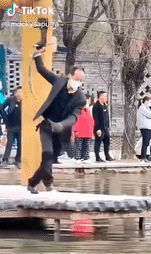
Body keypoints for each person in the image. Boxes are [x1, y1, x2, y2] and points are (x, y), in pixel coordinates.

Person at [28, 46, 87, 193]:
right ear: (70, 76)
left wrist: (61, 126)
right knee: (47, 153)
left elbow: (73, 117)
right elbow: (43, 71)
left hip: (61, 132)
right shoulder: (59, 82)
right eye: (76, 79)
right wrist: (37, 55)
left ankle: (32, 183)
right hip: (47, 125)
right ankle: (49, 184)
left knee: (49, 160)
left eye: (80, 81)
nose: (77, 82)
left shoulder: (81, 99)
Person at [1, 87, 22, 167]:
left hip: (21, 126)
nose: (20, 94)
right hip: (11, 125)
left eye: (21, 93)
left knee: (20, 143)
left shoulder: (24, 101)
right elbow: (2, 108)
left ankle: (18, 159)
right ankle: (5, 159)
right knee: (9, 143)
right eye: (19, 92)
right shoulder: (10, 100)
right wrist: (5, 119)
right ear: (16, 93)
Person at [93, 91, 114, 162]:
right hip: (99, 128)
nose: (106, 98)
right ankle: (97, 157)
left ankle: (107, 156)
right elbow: (96, 118)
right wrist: (97, 129)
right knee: (98, 143)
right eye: (105, 96)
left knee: (107, 142)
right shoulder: (96, 106)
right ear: (101, 97)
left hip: (105, 128)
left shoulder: (104, 105)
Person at [72, 94, 95, 163]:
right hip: (80, 131)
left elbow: (91, 121)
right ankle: (78, 158)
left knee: (87, 146)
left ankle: (86, 158)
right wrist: (75, 130)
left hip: (88, 131)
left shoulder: (88, 111)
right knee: (79, 146)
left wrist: (92, 130)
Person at [138, 96, 151, 162]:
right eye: (150, 101)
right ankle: (143, 157)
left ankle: (147, 155)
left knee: (148, 143)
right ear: (146, 101)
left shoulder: (147, 108)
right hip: (144, 127)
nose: (150, 103)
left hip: (148, 127)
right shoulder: (142, 108)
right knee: (145, 143)